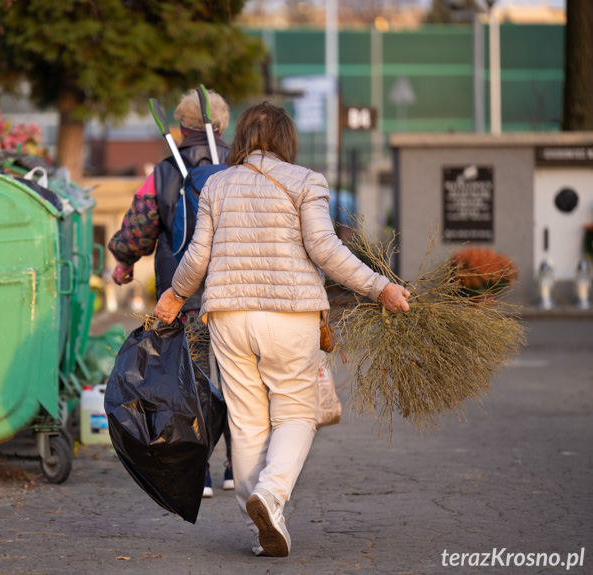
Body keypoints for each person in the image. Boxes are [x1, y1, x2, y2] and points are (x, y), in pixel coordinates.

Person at [154, 101, 410, 558]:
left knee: (247, 424)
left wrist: (174, 296)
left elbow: (197, 256)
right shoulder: (305, 181)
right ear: (287, 139)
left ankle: (263, 529)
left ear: (243, 139)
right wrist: (379, 287)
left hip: (229, 317)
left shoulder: (217, 184)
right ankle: (271, 496)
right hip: (290, 316)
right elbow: (325, 249)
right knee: (296, 413)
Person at [108, 88, 234, 497]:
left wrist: (124, 261)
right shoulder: (243, 165)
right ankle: (240, 467)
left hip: (185, 298)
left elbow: (139, 225)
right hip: (237, 295)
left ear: (181, 127)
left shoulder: (164, 172)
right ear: (222, 126)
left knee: (192, 381)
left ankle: (202, 474)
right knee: (240, 380)